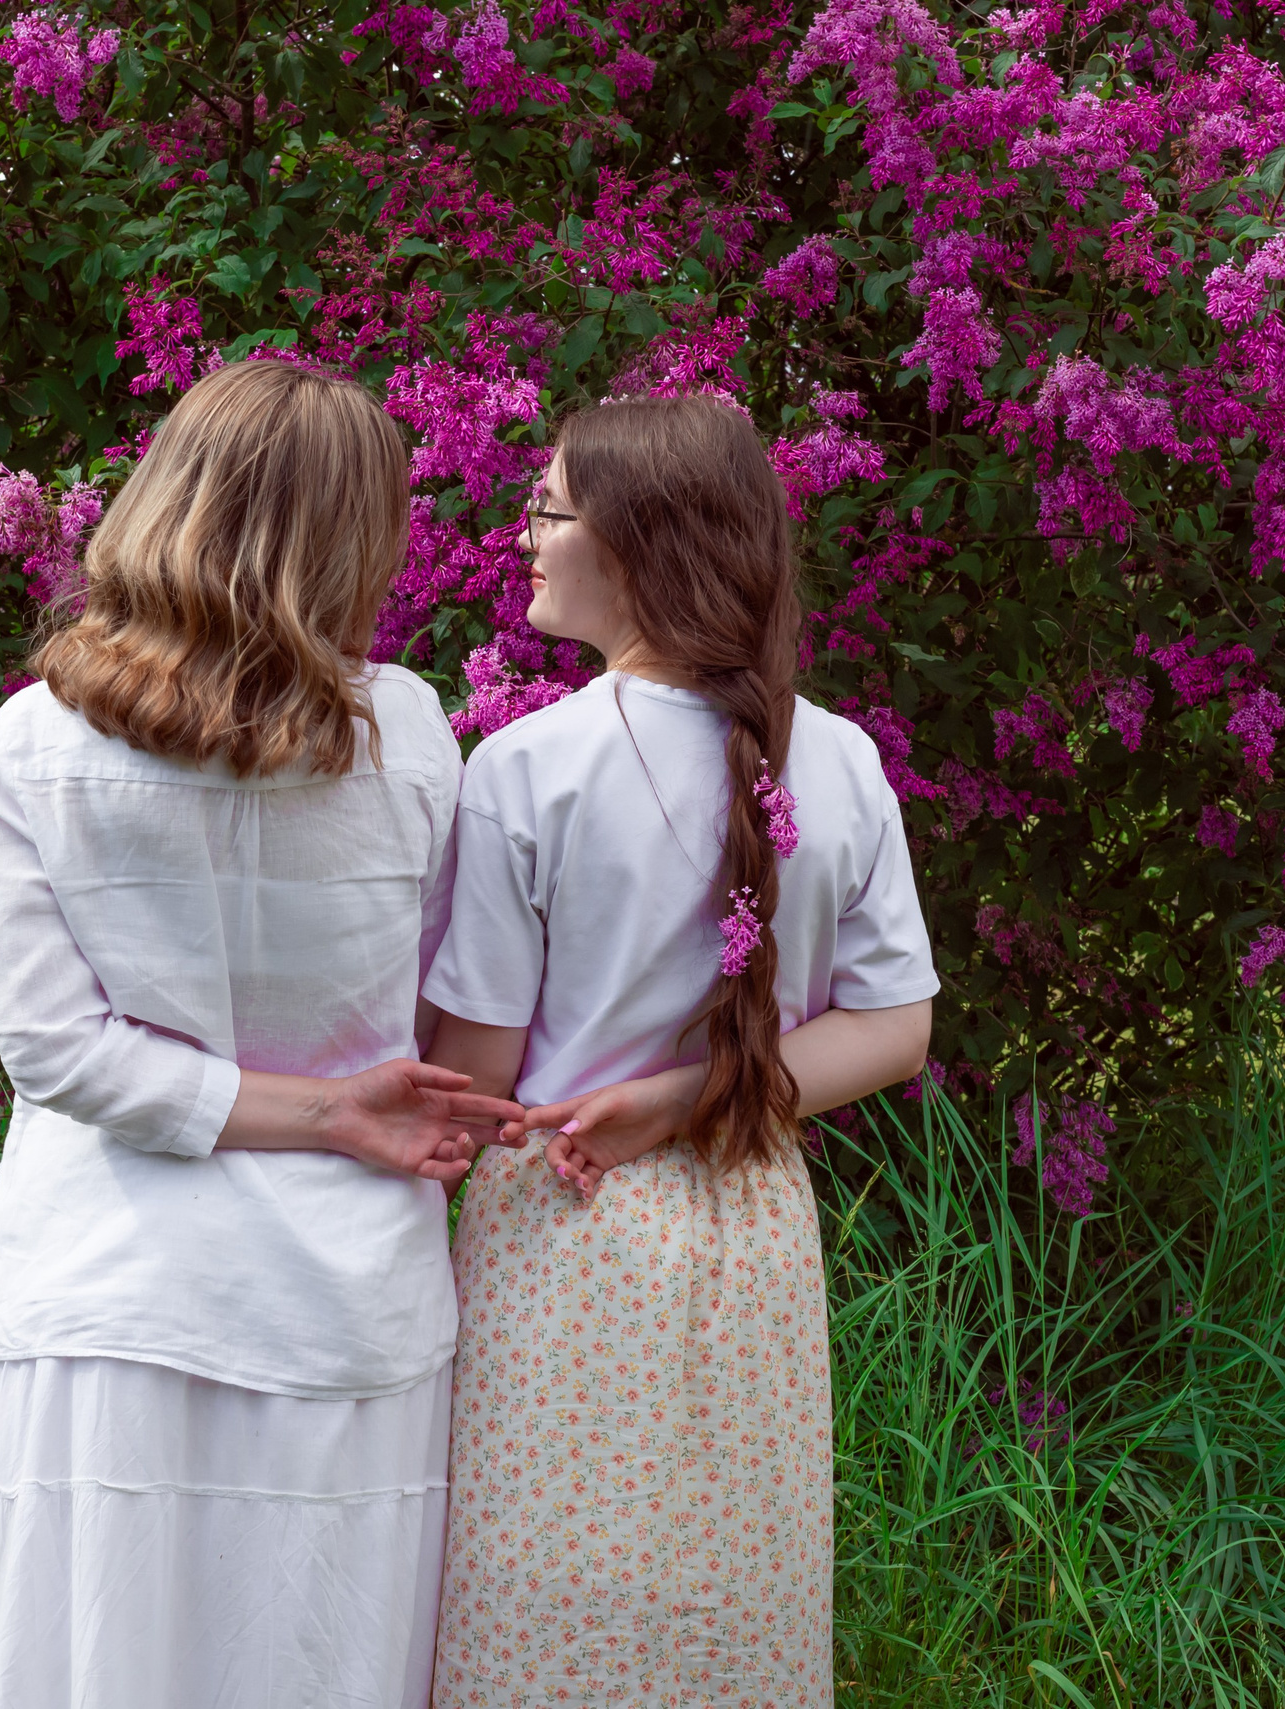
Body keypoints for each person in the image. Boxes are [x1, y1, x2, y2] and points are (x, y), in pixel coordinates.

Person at [0, 360, 517, 1709]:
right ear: (353, 536)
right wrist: (340, 1110)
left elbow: (57, 1053)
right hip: (340, 1305)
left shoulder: (32, 741)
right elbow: (440, 1021)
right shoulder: (410, 734)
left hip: (105, 1290)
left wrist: (316, 1105)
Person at [423, 396, 939, 1705]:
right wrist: (696, 1095)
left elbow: (475, 1080)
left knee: (534, 1608)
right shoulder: (845, 760)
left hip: (560, 1229)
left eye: (549, 508)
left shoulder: (526, 769)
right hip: (749, 1225)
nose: (524, 534)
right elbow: (895, 1026)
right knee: (726, 1617)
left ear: (641, 541)